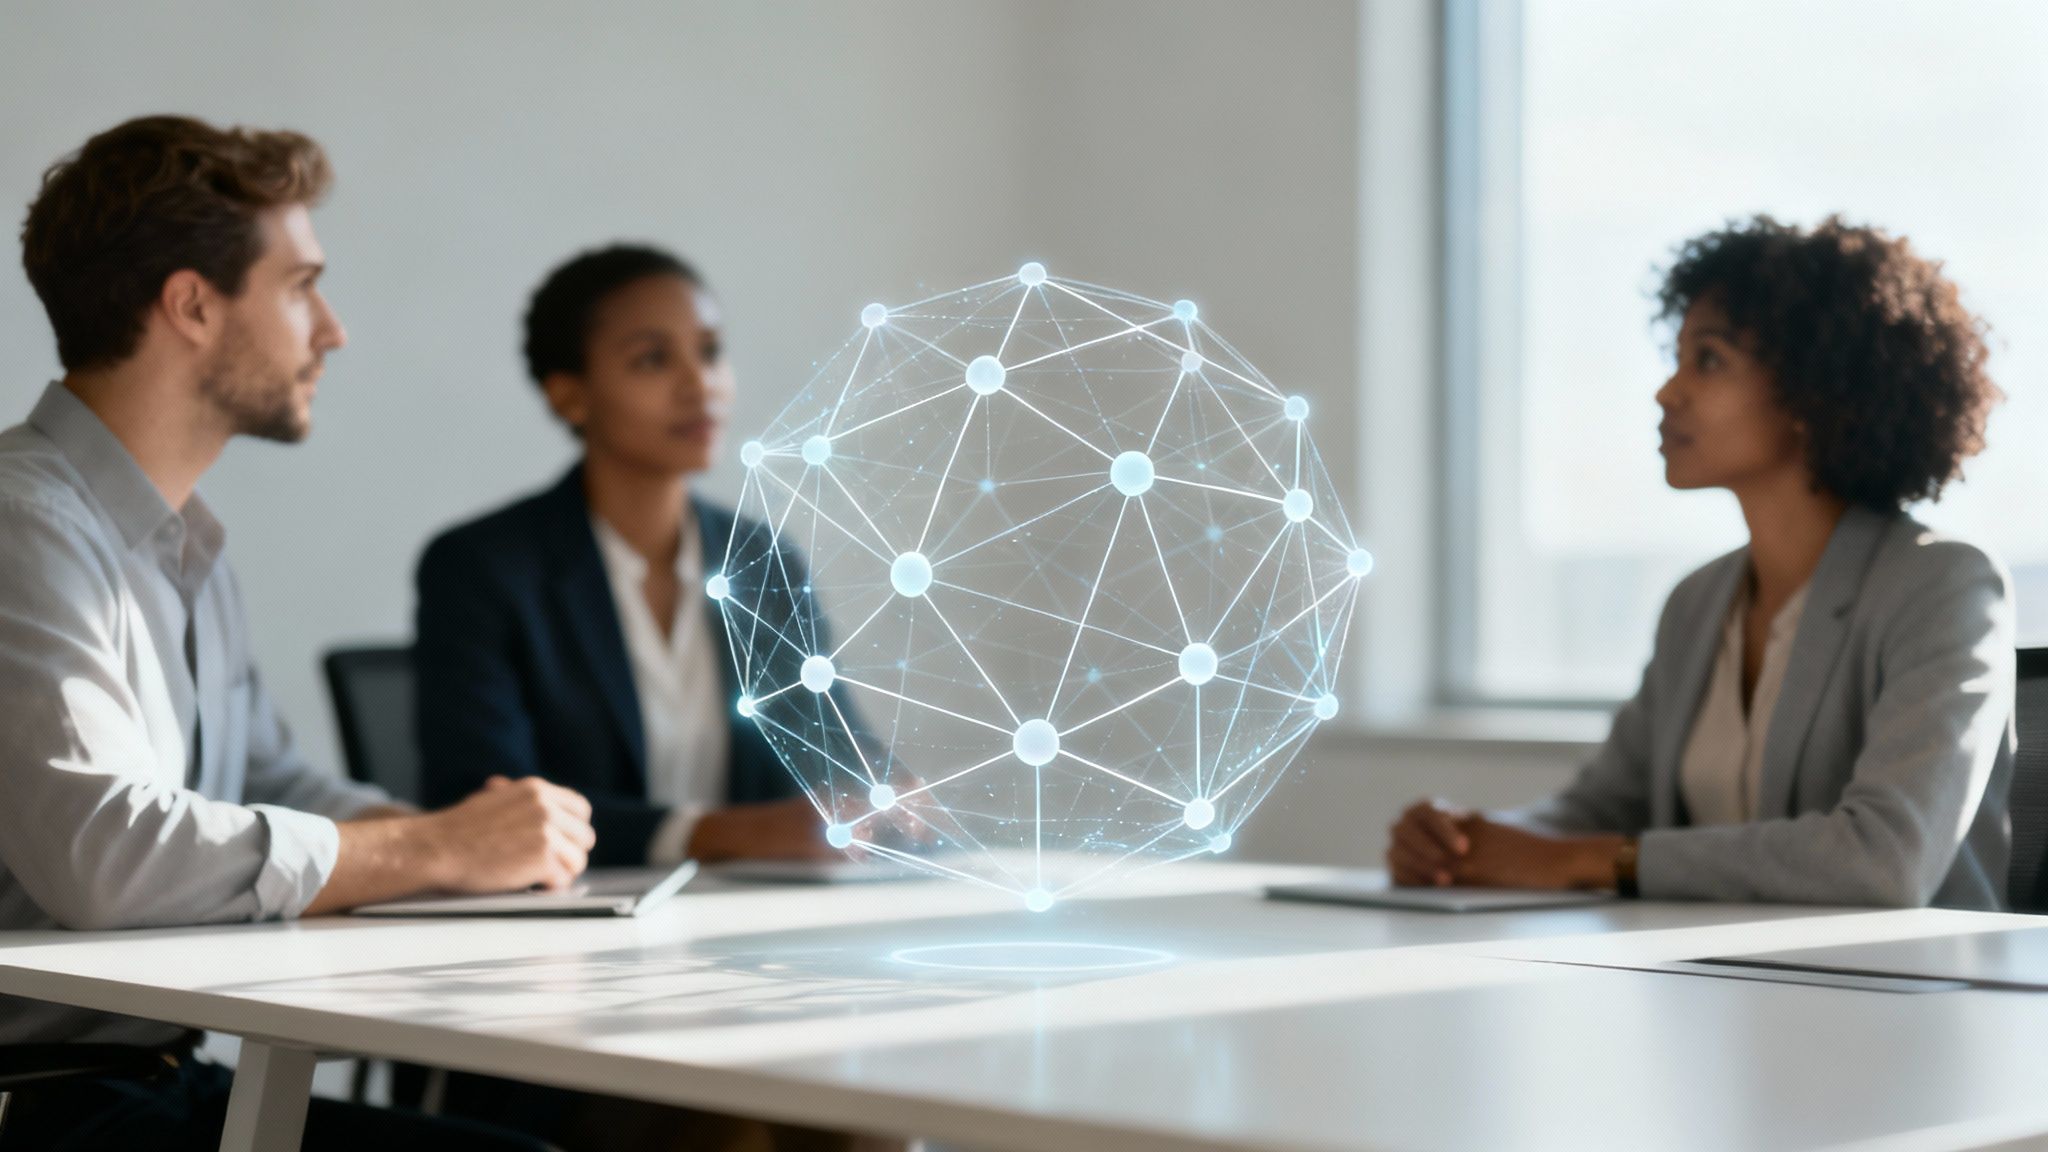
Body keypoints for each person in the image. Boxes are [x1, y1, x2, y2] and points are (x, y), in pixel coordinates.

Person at [0, 116, 593, 1148]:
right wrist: (433, 849)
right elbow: (108, 856)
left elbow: (269, 782)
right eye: (300, 284)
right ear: (191, 304)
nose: (331, 328)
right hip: (44, 1104)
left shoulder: (182, 541)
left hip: (148, 1081)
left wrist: (461, 838)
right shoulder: (21, 524)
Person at [1388, 215, 2014, 910]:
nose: (1667, 392)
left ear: (1816, 393)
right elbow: (1599, 809)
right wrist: (1467, 842)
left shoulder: (1944, 586)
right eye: (1679, 357)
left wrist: (1592, 861)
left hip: (1911, 1000)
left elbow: (1885, 861)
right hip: (1725, 989)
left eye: (1708, 360)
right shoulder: (1698, 602)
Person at [413, 246, 893, 1151]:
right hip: (562, 992)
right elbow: (481, 803)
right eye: (651, 358)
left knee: (880, 1106)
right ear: (569, 394)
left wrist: (882, 802)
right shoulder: (484, 568)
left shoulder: (762, 566)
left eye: (710, 352)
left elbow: (837, 759)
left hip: (758, 970)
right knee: (741, 1123)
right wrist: (715, 832)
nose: (698, 385)